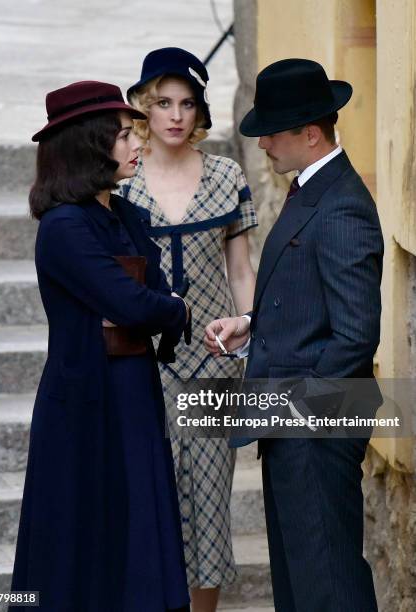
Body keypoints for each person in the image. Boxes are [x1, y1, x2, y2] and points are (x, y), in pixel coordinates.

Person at [205, 59, 383, 612]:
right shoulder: (312, 188)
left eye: (272, 134)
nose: (263, 146)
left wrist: (302, 418)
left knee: (326, 582)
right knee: (302, 580)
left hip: (313, 423)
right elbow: (311, 298)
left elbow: (356, 334)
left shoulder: (341, 207)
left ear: (310, 133)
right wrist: (254, 325)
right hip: (294, 419)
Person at [9, 80, 191, 612]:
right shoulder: (64, 228)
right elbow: (141, 304)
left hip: (132, 390)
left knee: (136, 524)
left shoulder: (127, 214)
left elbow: (145, 294)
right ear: (91, 146)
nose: (138, 144)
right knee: (77, 533)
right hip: (84, 402)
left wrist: (156, 303)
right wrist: (171, 307)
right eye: (123, 135)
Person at [123, 47, 257, 612]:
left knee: (207, 500)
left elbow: (242, 268)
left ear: (198, 110)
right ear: (143, 109)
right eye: (162, 103)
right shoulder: (123, 181)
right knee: (146, 495)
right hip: (141, 362)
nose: (175, 115)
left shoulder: (227, 176)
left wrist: (248, 325)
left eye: (186, 103)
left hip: (212, 363)